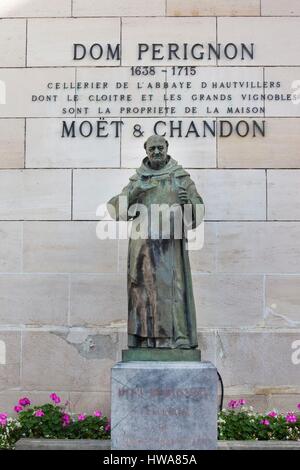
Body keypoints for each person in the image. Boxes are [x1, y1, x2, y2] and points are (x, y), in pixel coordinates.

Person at [107, 135, 205, 349]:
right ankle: (144, 339)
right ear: (146, 150)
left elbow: (197, 209)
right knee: (143, 293)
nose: (157, 152)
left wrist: (187, 203)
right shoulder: (138, 179)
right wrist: (136, 192)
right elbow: (116, 209)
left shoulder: (180, 177)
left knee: (174, 289)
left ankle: (179, 337)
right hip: (142, 248)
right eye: (152, 148)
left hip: (171, 246)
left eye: (161, 147)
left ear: (167, 148)